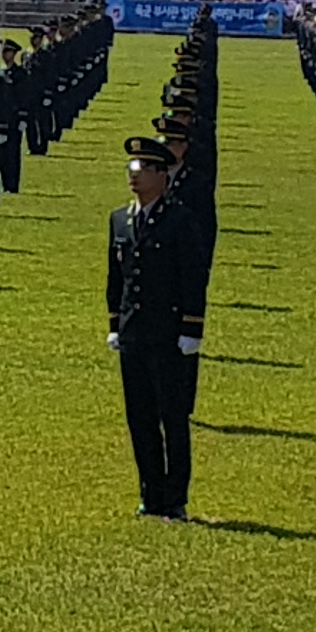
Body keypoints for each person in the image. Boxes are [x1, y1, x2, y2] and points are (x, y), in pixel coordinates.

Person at [107, 136, 206, 518]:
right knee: (140, 418)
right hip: (134, 334)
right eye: (131, 169)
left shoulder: (180, 220)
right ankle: (150, 491)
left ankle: (175, 497)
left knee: (172, 417)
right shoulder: (120, 219)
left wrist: (191, 329)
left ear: (162, 176)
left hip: (168, 335)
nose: (134, 176)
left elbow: (193, 278)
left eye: (143, 169)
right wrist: (115, 323)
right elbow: (115, 280)